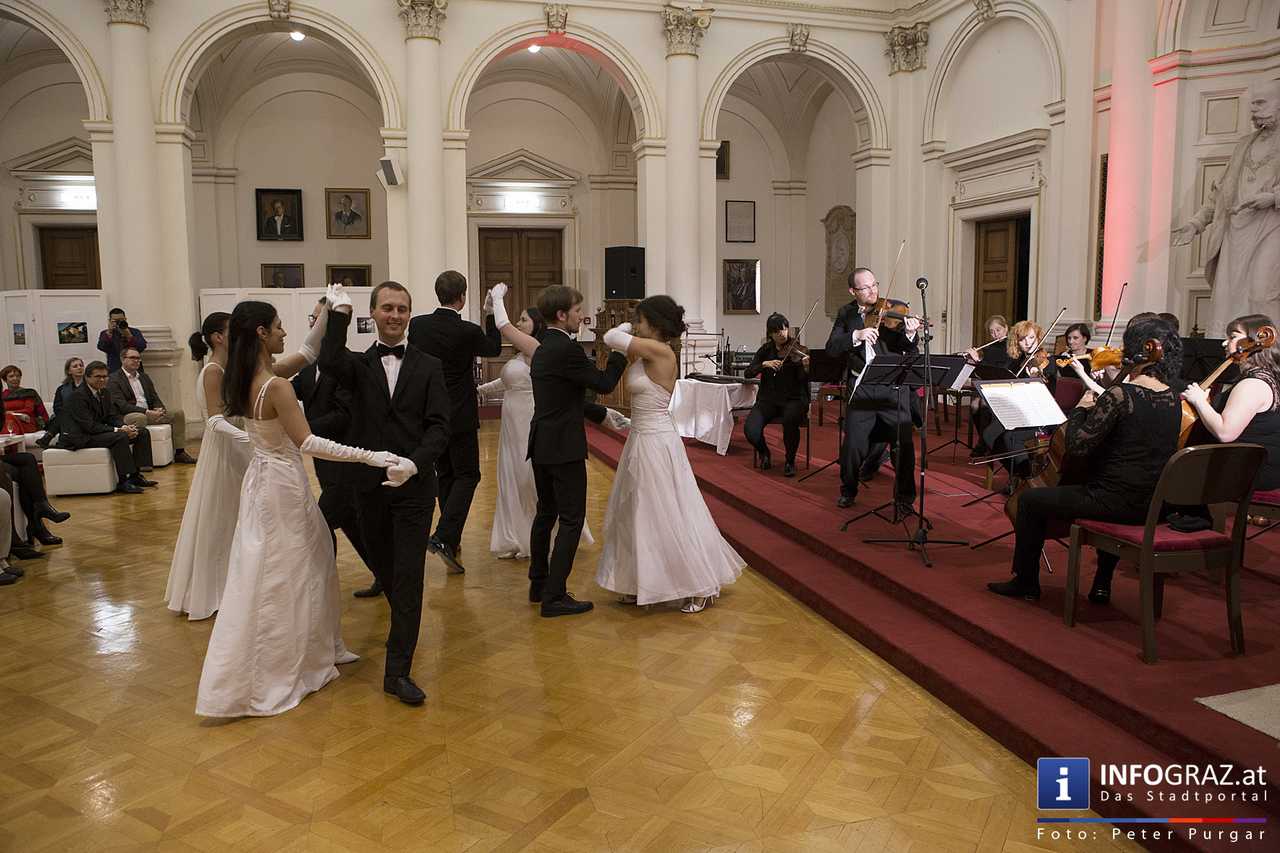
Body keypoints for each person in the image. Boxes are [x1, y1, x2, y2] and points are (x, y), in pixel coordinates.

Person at [195, 300, 396, 718]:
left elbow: (306, 351)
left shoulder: (244, 378)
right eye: (278, 326)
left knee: (303, 560)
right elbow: (308, 443)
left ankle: (311, 648)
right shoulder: (276, 386)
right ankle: (281, 663)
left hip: (264, 481)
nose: (284, 332)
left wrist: (329, 313)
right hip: (282, 485)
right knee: (289, 570)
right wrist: (371, 455)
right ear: (262, 335)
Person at [987, 317, 1183, 602]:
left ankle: (1026, 582)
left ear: (1140, 349)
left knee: (1030, 501)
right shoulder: (1172, 397)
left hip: (1113, 501)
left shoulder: (1121, 394)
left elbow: (1078, 445)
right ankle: (1102, 583)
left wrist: (1079, 410)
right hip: (1154, 503)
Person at [320, 282, 451, 706]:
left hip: (415, 487)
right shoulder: (358, 365)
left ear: (410, 315)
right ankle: (403, 629)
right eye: (388, 308)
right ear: (373, 313)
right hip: (369, 487)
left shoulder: (429, 366)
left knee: (409, 578)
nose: (395, 315)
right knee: (390, 574)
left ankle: (398, 673)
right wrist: (338, 312)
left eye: (403, 309)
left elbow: (439, 426)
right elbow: (329, 358)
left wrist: (414, 463)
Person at [596, 297, 745, 612]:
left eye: (640, 320)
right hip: (640, 437)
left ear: (656, 324)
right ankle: (639, 581)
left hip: (656, 441)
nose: (636, 325)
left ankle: (698, 584)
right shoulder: (645, 350)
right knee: (636, 511)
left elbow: (611, 338)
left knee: (665, 512)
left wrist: (623, 326)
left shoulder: (660, 350)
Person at [481, 285, 623, 559]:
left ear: (537, 323)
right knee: (516, 482)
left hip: (535, 424)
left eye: (524, 318)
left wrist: (497, 301)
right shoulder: (539, 350)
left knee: (534, 490)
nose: (519, 323)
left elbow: (502, 324)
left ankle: (542, 569)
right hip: (522, 427)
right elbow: (508, 378)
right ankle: (518, 539)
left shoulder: (540, 348)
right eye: (578, 310)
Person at [527, 285, 627, 617]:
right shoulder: (566, 349)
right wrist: (619, 350)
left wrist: (601, 415)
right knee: (571, 519)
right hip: (563, 446)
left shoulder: (544, 348)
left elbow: (564, 397)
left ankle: (539, 585)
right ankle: (554, 597)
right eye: (577, 310)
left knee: (546, 515)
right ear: (561, 314)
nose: (581, 315)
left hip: (542, 442)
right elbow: (604, 383)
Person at [405, 270, 502, 574]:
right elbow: (494, 349)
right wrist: (489, 314)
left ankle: (451, 539)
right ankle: (445, 536)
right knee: (468, 475)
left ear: (438, 294)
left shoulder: (418, 326)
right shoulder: (468, 331)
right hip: (458, 413)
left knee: (446, 474)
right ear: (462, 297)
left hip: (428, 413)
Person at [1171, 80, 1280, 335]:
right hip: (1236, 232)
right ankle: (1230, 357)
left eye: (1260, 102)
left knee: (1262, 292)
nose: (1253, 110)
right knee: (1227, 300)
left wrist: (1273, 198)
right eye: (1252, 104)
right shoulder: (1245, 145)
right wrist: (1195, 223)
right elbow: (1221, 193)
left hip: (1270, 228)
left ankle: (1268, 356)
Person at [165, 312, 254, 621]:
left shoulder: (231, 369)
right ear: (218, 337)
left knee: (237, 519)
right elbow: (216, 421)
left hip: (238, 450)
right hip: (224, 452)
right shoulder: (213, 371)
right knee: (221, 519)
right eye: (234, 331)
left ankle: (237, 586)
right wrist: (250, 438)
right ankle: (213, 589)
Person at [293, 300, 379, 598]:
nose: (313, 324)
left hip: (347, 460)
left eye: (319, 319)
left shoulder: (347, 364)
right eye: (312, 318)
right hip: (325, 463)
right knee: (352, 523)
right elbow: (284, 393)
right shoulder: (306, 370)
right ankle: (385, 573)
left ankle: (319, 584)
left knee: (320, 522)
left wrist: (303, 430)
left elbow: (344, 414)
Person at [824, 267, 923, 512]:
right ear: (853, 291)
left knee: (904, 446)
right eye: (865, 287)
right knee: (853, 446)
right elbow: (832, 347)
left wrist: (910, 334)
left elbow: (909, 351)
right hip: (863, 389)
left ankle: (905, 499)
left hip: (893, 389)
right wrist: (856, 334)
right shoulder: (847, 313)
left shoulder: (893, 310)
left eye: (875, 285)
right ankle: (848, 490)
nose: (873, 291)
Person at [1182, 313, 1280, 491]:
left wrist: (1199, 401)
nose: (1225, 343)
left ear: (1253, 342)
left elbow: (1226, 433)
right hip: (1248, 464)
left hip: (1249, 472)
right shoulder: (1264, 376)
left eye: (1233, 336)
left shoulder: (1253, 384)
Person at [60, 361, 155, 494]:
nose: (102, 379)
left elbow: (112, 416)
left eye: (105, 376)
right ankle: (124, 481)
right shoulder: (77, 396)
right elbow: (89, 426)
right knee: (119, 437)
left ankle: (136, 475)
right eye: (98, 376)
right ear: (87, 377)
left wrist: (125, 426)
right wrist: (119, 430)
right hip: (80, 436)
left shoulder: (105, 392)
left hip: (95, 432)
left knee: (141, 432)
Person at [743, 313, 810, 477]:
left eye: (785, 329)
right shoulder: (765, 350)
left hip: (794, 399)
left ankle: (790, 460)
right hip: (769, 400)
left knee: (790, 421)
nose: (783, 334)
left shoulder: (798, 351)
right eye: (778, 331)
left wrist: (805, 367)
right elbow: (748, 373)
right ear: (770, 334)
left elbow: (804, 380)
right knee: (750, 430)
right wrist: (764, 364)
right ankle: (764, 452)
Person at [108, 348, 196, 465]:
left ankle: (180, 452)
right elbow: (122, 405)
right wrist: (146, 412)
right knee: (140, 418)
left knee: (177, 413)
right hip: (128, 415)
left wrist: (159, 409)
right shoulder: (114, 379)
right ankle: (140, 460)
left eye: (138, 358)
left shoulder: (144, 377)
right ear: (123, 359)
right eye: (133, 358)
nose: (137, 361)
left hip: (148, 412)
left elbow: (154, 397)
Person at [1, 365, 49, 437]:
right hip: (7, 422)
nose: (15, 378)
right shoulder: (2, 395)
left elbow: (29, 410)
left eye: (18, 376)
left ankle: (11, 446)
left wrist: (11, 413)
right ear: (5, 379)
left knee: (9, 419)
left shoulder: (29, 393)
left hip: (27, 422)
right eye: (11, 376)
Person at [97, 308, 147, 374]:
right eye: (115, 321)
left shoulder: (135, 332)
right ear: (110, 321)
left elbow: (141, 347)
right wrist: (109, 333)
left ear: (125, 319)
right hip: (115, 369)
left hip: (134, 369)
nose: (119, 323)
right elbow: (102, 347)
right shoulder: (106, 333)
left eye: (121, 320)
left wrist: (129, 336)